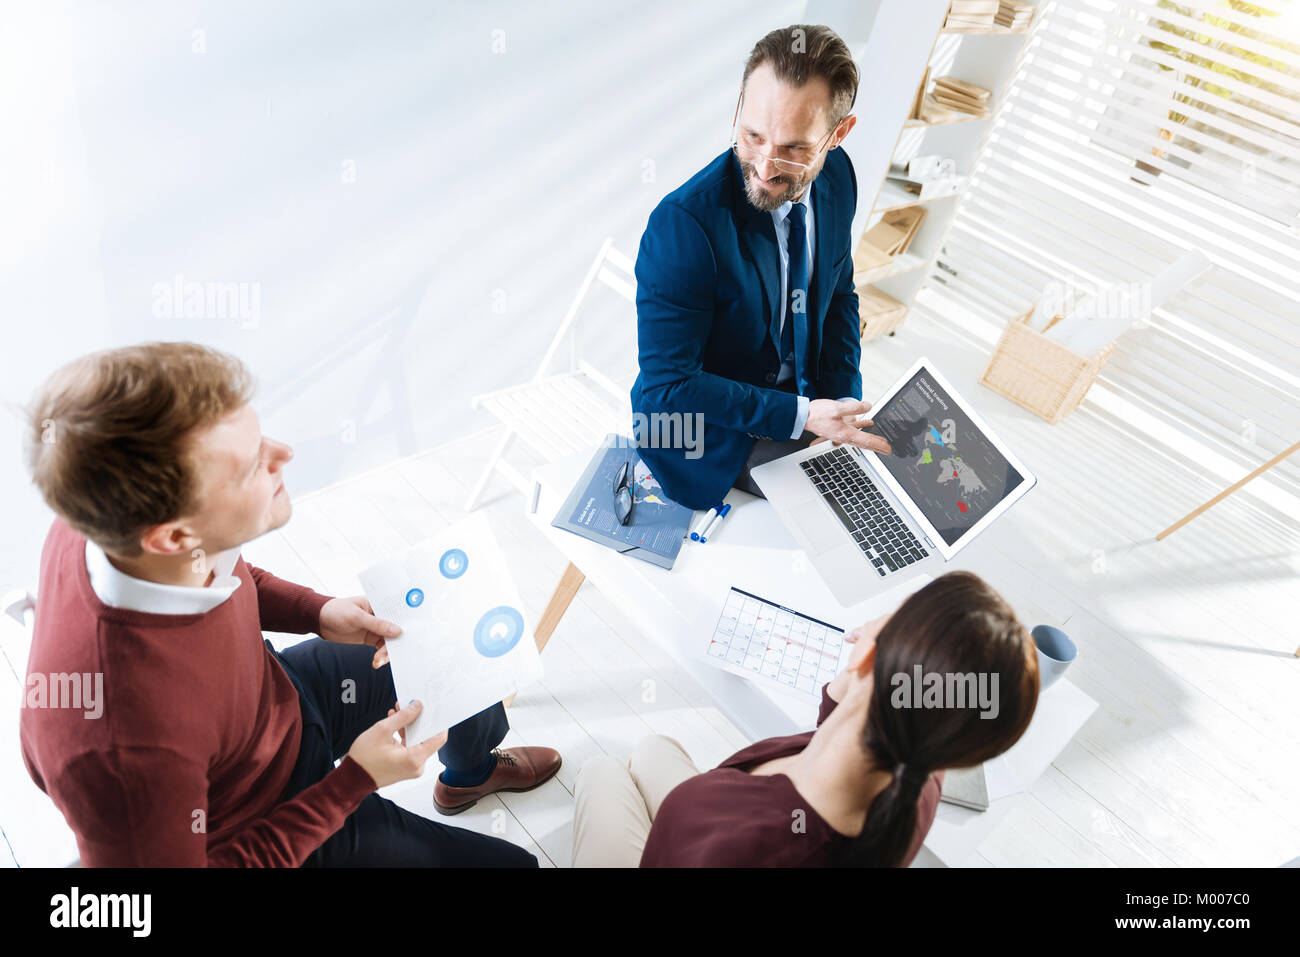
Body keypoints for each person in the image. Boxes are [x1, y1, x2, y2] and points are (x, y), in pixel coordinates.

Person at [19, 341, 561, 866]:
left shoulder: (114, 527)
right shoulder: (118, 751)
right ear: (173, 536)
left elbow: (224, 569)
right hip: (261, 821)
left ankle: (468, 774)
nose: (284, 454)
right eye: (254, 464)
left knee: (446, 648)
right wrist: (354, 782)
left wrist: (316, 612)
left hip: (278, 702)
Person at [570, 571, 1040, 867]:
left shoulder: (727, 842)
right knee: (654, 749)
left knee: (600, 769)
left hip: (690, 839)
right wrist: (851, 684)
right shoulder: (920, 771)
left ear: (869, 654)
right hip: (716, 819)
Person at [630, 23, 893, 511]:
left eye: (794, 148)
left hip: (803, 402)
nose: (767, 166)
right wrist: (802, 417)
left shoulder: (839, 178)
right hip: (706, 431)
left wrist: (840, 409)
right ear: (738, 109)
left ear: (839, 134)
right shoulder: (685, 225)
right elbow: (670, 388)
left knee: (892, 471)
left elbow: (838, 295)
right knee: (847, 504)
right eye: (753, 135)